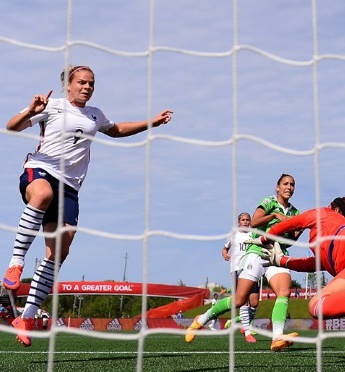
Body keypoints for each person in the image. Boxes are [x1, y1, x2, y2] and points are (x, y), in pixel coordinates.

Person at [3, 65, 173, 347]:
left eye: (91, 83)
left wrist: (151, 122)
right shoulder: (51, 105)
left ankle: (27, 316)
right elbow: (12, 126)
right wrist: (31, 111)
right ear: (68, 85)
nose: (87, 86)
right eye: (81, 82)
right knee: (42, 194)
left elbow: (115, 130)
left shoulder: (95, 114)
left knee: (60, 250)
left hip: (70, 187)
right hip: (41, 170)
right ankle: (15, 263)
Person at [186, 174, 302, 351]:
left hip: (277, 254)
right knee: (239, 300)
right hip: (257, 251)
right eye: (285, 184)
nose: (289, 187)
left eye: (292, 185)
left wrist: (302, 228)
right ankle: (201, 319)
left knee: (284, 291)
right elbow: (254, 223)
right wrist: (274, 216)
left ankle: (277, 337)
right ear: (277, 187)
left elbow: (290, 240)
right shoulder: (269, 202)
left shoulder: (295, 213)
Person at [221, 212, 258, 342]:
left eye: (247, 220)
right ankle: (248, 331)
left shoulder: (254, 234)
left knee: (254, 302)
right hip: (237, 269)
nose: (245, 222)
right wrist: (225, 254)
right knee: (243, 300)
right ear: (239, 222)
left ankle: (244, 325)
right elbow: (225, 249)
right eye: (243, 220)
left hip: (252, 269)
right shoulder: (234, 234)